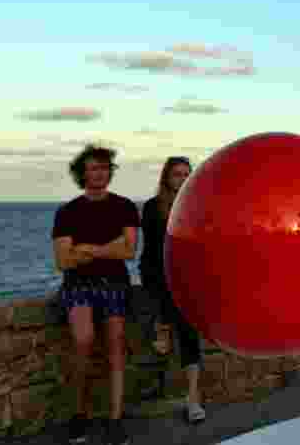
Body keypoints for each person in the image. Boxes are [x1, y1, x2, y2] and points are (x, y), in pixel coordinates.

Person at [51, 145, 139, 445]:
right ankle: (80, 415)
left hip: (114, 283)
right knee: (83, 341)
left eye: (104, 168)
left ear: (109, 172)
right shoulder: (67, 211)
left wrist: (87, 249)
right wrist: (107, 250)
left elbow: (128, 250)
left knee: (115, 347)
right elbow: (63, 261)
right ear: (82, 174)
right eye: (93, 168)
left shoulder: (125, 206)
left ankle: (115, 419)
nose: (99, 173)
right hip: (78, 285)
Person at [138, 156, 207, 424]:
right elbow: (152, 250)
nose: (182, 179)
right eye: (177, 174)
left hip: (187, 282)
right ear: (167, 177)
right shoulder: (153, 208)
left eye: (187, 174)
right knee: (161, 334)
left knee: (189, 337)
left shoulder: (199, 206)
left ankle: (193, 399)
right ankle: (158, 386)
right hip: (158, 280)